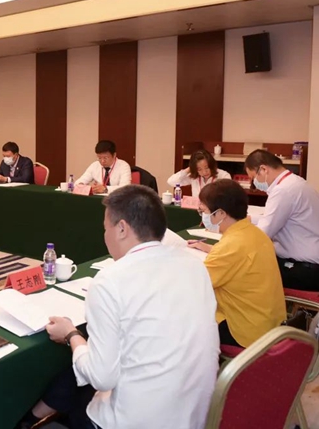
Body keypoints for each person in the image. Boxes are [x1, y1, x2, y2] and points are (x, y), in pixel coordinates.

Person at [18, 185, 218, 429]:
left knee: (76, 382)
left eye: (106, 228)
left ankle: (29, 419)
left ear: (122, 228)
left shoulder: (110, 280)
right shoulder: (194, 266)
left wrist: (70, 334)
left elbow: (101, 378)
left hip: (136, 421)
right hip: (196, 414)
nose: (105, 236)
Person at [190, 179, 285, 347]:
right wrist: (211, 249)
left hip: (245, 330)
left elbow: (196, 284)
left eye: (204, 211)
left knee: (185, 316)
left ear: (221, 213)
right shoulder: (255, 233)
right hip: (269, 323)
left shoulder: (230, 246)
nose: (204, 217)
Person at [244, 150, 319, 291]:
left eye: (253, 178)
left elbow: (262, 235)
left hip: (304, 268)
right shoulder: (296, 182)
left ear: (263, 169)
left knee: (246, 271)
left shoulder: (282, 191)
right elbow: (279, 216)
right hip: (312, 262)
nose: (254, 183)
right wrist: (250, 219)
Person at [167, 149, 231, 197]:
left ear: (211, 164)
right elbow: (171, 181)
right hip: (197, 209)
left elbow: (229, 195)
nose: (204, 172)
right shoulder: (194, 177)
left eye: (207, 168)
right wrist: (188, 169)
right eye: (199, 169)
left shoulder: (223, 175)